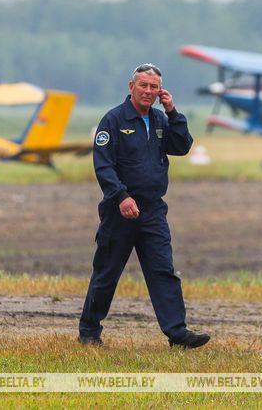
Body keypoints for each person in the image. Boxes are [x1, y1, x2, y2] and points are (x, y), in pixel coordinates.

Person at [79, 63, 210, 349]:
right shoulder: (113, 120)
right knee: (107, 273)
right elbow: (103, 166)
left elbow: (182, 146)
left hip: (153, 211)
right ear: (131, 87)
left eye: (154, 87)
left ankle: (178, 334)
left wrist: (173, 112)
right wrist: (121, 197)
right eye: (143, 85)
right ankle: (89, 332)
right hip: (120, 211)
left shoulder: (161, 120)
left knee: (163, 271)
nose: (148, 91)